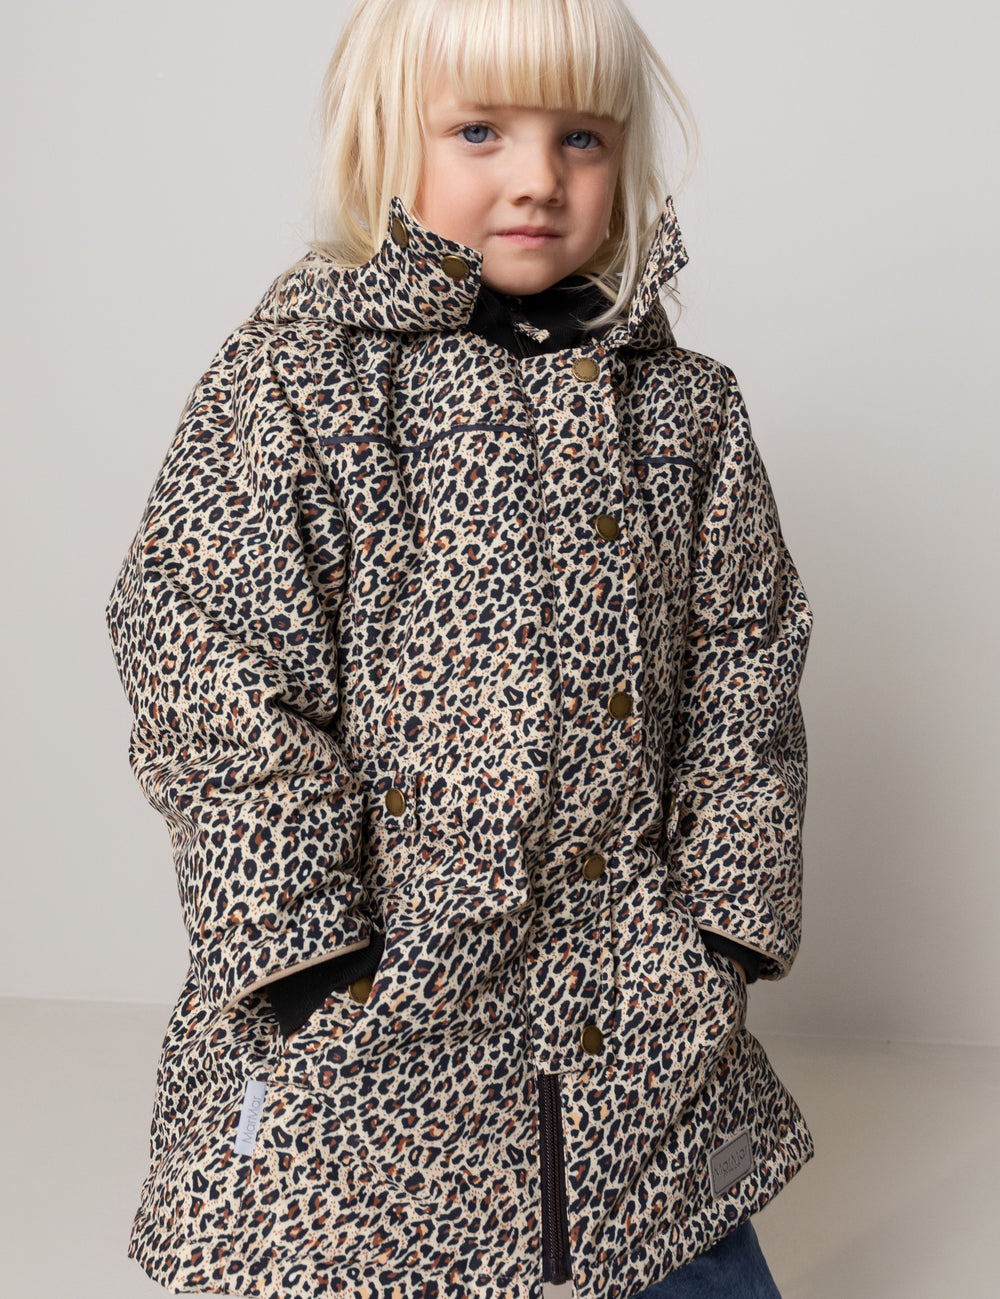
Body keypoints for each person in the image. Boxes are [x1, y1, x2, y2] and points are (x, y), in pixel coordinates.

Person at [104, 0, 814, 1296]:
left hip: (633, 990)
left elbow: (747, 665)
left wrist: (723, 922)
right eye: (480, 131)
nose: (538, 177)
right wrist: (307, 946)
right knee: (376, 1239)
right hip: (385, 984)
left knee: (664, 1232)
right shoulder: (300, 385)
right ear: (388, 138)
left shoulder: (687, 411)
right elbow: (208, 655)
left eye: (581, 137)